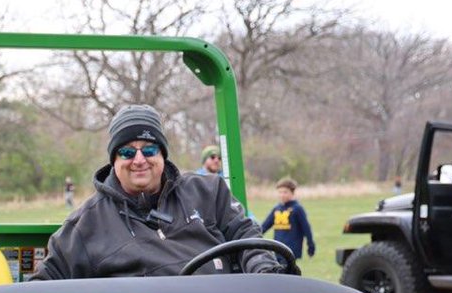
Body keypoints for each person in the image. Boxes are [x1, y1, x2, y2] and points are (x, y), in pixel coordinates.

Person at [32, 104, 284, 280]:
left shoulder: (209, 192)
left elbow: (247, 237)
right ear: (114, 160)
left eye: (149, 150)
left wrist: (264, 271)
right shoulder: (86, 224)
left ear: (162, 154)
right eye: (128, 152)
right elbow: (46, 285)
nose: (139, 160)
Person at [260, 178, 316, 260]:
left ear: (292, 192)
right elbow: (264, 226)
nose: (282, 195)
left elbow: (306, 228)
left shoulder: (297, 209)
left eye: (285, 192)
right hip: (277, 248)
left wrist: (310, 245)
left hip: (291, 250)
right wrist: (253, 237)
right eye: (280, 192)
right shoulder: (277, 209)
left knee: (286, 271)